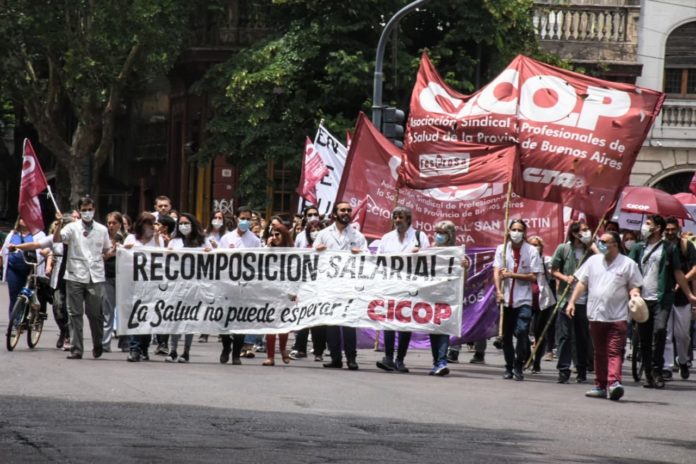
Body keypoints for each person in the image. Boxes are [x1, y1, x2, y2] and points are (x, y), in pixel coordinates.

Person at [568, 231, 642, 401]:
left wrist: (635, 295)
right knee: (599, 352)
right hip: (595, 315)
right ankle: (600, 385)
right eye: (600, 241)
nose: (600, 244)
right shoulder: (593, 261)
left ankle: (614, 383)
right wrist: (572, 301)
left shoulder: (628, 264)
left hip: (618, 316)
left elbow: (634, 285)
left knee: (614, 351)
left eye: (604, 241)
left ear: (615, 244)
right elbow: (582, 283)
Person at [629, 215, 696, 388]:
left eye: (648, 224)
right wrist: (632, 290)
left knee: (659, 331)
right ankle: (649, 374)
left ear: (657, 228)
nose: (645, 227)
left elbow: (678, 273)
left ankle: (658, 371)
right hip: (641, 300)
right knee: (644, 338)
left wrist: (689, 294)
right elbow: (628, 271)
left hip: (662, 298)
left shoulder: (669, 248)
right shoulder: (638, 248)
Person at [53, 197, 112, 360]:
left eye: (90, 209)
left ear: (94, 209)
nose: (87, 212)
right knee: (74, 313)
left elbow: (107, 249)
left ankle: (98, 342)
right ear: (79, 211)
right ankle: (76, 348)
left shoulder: (102, 229)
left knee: (95, 314)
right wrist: (58, 224)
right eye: (84, 210)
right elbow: (57, 239)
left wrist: (107, 254)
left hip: (95, 276)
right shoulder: (71, 228)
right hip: (75, 275)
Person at [375, 206, 430, 373]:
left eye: (401, 217)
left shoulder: (420, 237)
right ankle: (388, 358)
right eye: (395, 217)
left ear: (408, 219)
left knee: (405, 322)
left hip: (410, 287)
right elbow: (378, 260)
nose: (398, 220)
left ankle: (400, 359)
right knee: (389, 322)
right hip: (390, 286)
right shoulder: (386, 238)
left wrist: (416, 254)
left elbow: (429, 260)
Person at [314, 201, 367, 370]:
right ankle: (335, 357)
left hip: (349, 285)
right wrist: (317, 250)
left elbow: (369, 258)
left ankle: (351, 358)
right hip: (329, 285)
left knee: (349, 323)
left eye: (349, 210)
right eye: (343, 210)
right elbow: (312, 257)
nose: (346, 212)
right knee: (331, 323)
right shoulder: (323, 234)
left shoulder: (357, 236)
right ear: (335, 213)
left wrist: (361, 253)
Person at [494, 219, 542, 381]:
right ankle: (509, 367)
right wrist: (499, 291)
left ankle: (518, 364)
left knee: (522, 332)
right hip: (506, 299)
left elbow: (533, 276)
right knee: (506, 336)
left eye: (519, 230)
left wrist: (512, 275)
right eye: (513, 229)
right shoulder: (501, 249)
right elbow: (497, 272)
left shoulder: (531, 251)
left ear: (524, 232)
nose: (516, 232)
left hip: (524, 300)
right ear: (508, 231)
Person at [551, 221, 594, 384]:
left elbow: (602, 261)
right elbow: (554, 270)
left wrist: (592, 245)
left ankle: (581, 368)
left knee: (582, 336)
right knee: (565, 335)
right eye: (584, 230)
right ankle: (563, 369)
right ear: (575, 233)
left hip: (584, 300)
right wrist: (564, 278)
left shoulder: (590, 252)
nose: (587, 232)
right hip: (565, 298)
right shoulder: (563, 249)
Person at [219, 206, 262, 365]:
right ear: (237, 218)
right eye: (242, 218)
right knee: (224, 319)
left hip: (245, 286)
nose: (245, 221)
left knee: (241, 321)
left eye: (248, 219)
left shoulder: (255, 240)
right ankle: (226, 347)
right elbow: (219, 261)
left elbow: (257, 264)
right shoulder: (226, 239)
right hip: (227, 285)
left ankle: (236, 353)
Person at [165, 213, 210, 363]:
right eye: (181, 223)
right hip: (177, 285)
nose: (184, 226)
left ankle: (186, 351)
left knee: (189, 319)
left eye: (186, 223)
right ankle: (173, 350)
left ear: (193, 224)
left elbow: (211, 257)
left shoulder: (203, 241)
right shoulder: (174, 242)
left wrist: (208, 252)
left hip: (195, 285)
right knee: (175, 318)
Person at [122, 212, 163, 362]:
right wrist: (125, 249)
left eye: (153, 224)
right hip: (134, 283)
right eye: (148, 224)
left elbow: (163, 259)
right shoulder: (131, 239)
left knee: (147, 317)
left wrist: (158, 240)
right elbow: (123, 259)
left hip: (151, 284)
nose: (151, 227)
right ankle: (134, 348)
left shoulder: (157, 240)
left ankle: (144, 347)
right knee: (136, 316)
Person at [428, 220, 465, 376]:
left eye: (442, 233)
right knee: (432, 330)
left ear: (450, 235)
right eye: (437, 232)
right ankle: (436, 361)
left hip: (448, 296)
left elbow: (464, 279)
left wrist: (465, 267)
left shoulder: (457, 253)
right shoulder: (430, 251)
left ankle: (442, 361)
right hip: (430, 295)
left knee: (443, 329)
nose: (439, 236)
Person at [661, 217, 696, 380]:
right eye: (667, 229)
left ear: (678, 229)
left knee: (682, 335)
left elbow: (695, 268)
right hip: (664, 295)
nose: (669, 232)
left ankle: (682, 360)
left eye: (672, 229)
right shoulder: (661, 246)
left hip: (683, 296)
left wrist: (683, 283)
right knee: (666, 333)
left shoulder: (686, 246)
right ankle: (667, 366)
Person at [289, 219, 327, 361]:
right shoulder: (303, 249)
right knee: (303, 319)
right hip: (305, 288)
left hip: (321, 289)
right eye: (312, 230)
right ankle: (300, 349)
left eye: (317, 229)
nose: (315, 232)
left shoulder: (327, 250)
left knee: (318, 322)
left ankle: (318, 352)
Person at [1, 217, 47, 317]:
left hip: (30, 269)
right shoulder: (12, 234)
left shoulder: (39, 235)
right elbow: (4, 251)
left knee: (29, 296)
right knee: (14, 296)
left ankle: (27, 317)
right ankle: (14, 323)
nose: (24, 220)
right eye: (22, 218)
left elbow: (45, 248)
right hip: (13, 269)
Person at [262, 224, 294, 366]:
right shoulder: (268, 250)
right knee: (270, 324)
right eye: (272, 235)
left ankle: (282, 349)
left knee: (283, 324)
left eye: (277, 235)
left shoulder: (293, 253)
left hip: (286, 293)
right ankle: (270, 356)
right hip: (270, 292)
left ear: (285, 236)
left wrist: (294, 292)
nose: (274, 238)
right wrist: (267, 248)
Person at [528, 235, 556, 374]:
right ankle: (527, 355)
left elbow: (555, 272)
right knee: (521, 330)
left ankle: (536, 362)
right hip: (525, 299)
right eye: (532, 245)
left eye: (537, 245)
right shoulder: (524, 260)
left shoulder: (547, 261)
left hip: (542, 301)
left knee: (540, 332)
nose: (534, 247)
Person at [102, 212, 125, 353]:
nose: (111, 226)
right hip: (107, 277)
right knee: (107, 311)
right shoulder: (103, 238)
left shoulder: (126, 238)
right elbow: (97, 257)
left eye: (114, 223)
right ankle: (105, 343)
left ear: (120, 224)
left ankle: (125, 343)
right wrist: (109, 254)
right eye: (109, 223)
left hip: (123, 278)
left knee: (124, 311)